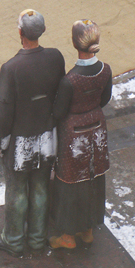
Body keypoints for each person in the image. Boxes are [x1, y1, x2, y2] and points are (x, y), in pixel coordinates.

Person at [0, 9, 65, 257]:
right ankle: (36, 238)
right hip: (47, 137)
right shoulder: (55, 58)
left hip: (21, 141)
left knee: (17, 188)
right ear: (41, 31)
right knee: (41, 185)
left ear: (20, 32)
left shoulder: (11, 68)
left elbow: (5, 108)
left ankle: (13, 239)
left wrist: (0, 139)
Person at [49, 19, 112, 250]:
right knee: (94, 176)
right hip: (97, 131)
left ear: (76, 44)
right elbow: (104, 99)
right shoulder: (105, 70)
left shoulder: (69, 80)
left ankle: (67, 236)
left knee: (70, 182)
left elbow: (58, 112)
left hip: (73, 135)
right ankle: (88, 229)